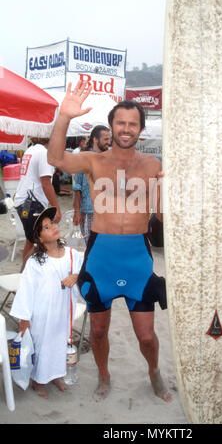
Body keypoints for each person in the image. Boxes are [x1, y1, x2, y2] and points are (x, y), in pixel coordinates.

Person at [47, 81, 170, 402]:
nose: (126, 128)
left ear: (141, 129)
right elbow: (56, 159)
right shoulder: (93, 161)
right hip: (101, 256)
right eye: (121, 122)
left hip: (137, 260)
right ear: (112, 126)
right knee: (98, 330)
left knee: (145, 335)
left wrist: (165, 192)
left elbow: (160, 216)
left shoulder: (153, 166)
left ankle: (154, 371)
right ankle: (104, 375)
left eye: (133, 123)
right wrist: (64, 117)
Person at [10, 207, 83, 399]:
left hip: (62, 311)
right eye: (46, 227)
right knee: (41, 344)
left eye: (52, 223)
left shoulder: (72, 254)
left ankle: (56, 374)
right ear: (39, 238)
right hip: (42, 313)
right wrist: (24, 320)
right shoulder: (35, 261)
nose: (53, 227)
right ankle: (39, 380)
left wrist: (76, 276)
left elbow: (86, 271)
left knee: (60, 342)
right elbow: (26, 290)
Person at [14, 138, 62, 264]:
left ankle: (24, 274)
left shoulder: (30, 150)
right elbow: (46, 183)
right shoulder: (43, 152)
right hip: (32, 203)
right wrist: (56, 208)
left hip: (24, 203)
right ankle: (28, 274)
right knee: (42, 241)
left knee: (31, 241)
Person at [73, 125, 111, 245]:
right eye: (106, 139)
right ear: (95, 139)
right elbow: (77, 188)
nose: (109, 142)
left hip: (107, 212)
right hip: (89, 212)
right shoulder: (84, 159)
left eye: (109, 139)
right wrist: (77, 212)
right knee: (91, 246)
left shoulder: (110, 159)